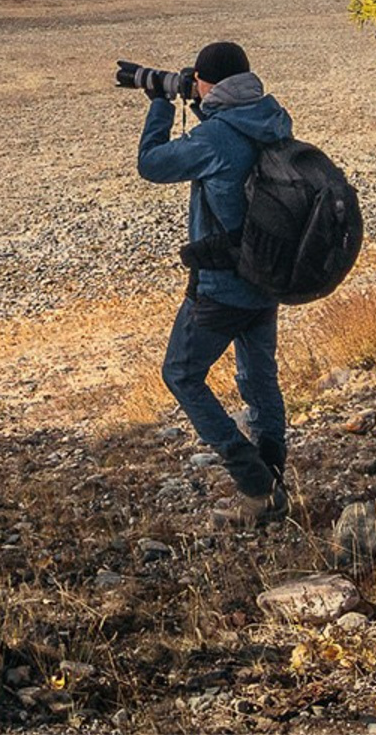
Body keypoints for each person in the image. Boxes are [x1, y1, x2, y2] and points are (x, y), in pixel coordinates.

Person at [116, 39, 292, 525]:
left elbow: (152, 164)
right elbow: (230, 138)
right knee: (259, 380)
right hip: (266, 277)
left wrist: (159, 101)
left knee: (181, 374)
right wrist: (195, 99)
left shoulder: (215, 138)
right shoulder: (270, 117)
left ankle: (253, 481)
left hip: (221, 286)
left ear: (207, 83)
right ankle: (273, 487)